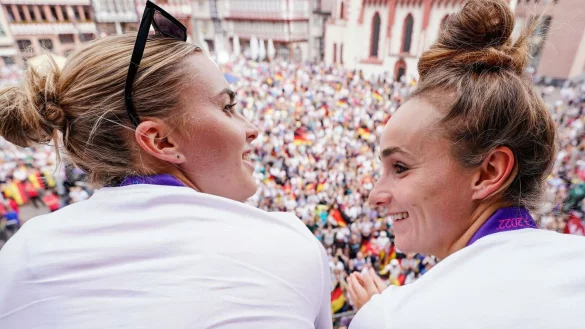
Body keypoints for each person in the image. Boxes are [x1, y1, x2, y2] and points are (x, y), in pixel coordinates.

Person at [0, 2, 332, 329]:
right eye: (228, 107)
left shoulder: (20, 258)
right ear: (161, 141)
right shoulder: (286, 246)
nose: (252, 129)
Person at [346, 1, 585, 328]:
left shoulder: (397, 317)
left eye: (400, 167)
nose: (375, 195)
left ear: (489, 172)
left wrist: (381, 316)